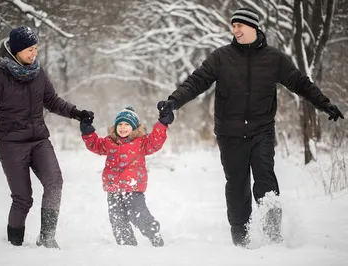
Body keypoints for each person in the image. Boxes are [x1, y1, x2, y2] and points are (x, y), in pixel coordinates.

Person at [157, 7, 344, 247]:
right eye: (233, 26)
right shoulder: (221, 57)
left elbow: (300, 83)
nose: (235, 30)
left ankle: (273, 235)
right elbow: (196, 81)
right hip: (229, 132)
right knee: (237, 185)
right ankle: (240, 239)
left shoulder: (274, 58)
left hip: (261, 129)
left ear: (253, 27)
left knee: (265, 178)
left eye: (240, 26)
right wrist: (174, 101)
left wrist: (324, 104)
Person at [0, 26, 94, 249]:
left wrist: (76, 113)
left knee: (54, 182)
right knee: (23, 199)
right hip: (11, 144)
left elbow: (53, 101)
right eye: (30, 49)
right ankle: (14, 245)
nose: (34, 53)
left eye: (36, 48)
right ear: (16, 51)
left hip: (39, 140)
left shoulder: (37, 72)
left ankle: (47, 237)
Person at [79, 106, 174, 247]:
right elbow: (95, 144)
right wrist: (87, 130)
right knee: (117, 219)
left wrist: (162, 124)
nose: (123, 128)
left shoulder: (142, 142)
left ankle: (153, 233)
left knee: (138, 215)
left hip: (133, 187)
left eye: (127, 124)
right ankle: (126, 246)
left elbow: (156, 141)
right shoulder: (109, 142)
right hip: (113, 188)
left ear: (134, 127)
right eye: (120, 124)